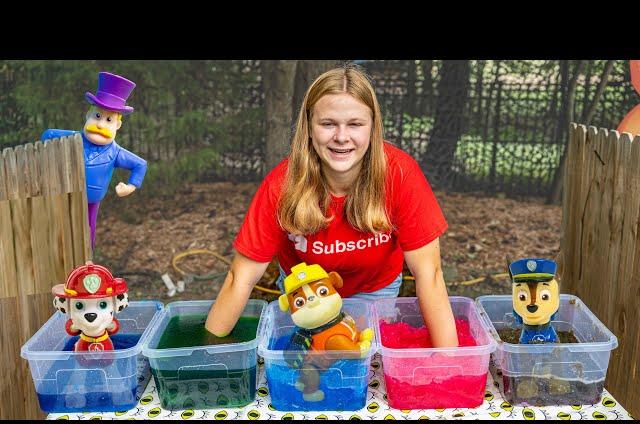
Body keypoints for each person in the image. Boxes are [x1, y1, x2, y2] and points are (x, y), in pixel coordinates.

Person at [205, 64, 458, 347]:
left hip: (373, 290)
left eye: (355, 124)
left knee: (358, 359)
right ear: (309, 128)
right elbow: (239, 278)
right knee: (307, 365)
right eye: (328, 124)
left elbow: (431, 275)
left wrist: (449, 365)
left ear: (373, 127)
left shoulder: (400, 174)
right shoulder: (282, 184)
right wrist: (204, 357)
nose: (341, 136)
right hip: (305, 293)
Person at [41, 72, 148, 249]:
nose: (100, 125)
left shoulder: (116, 152)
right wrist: (48, 166)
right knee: (58, 230)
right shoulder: (72, 139)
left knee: (87, 232)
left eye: (108, 120)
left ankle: (85, 261)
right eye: (97, 116)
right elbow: (48, 135)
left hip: (92, 202)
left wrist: (130, 186)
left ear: (117, 125)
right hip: (65, 195)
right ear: (88, 115)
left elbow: (140, 164)